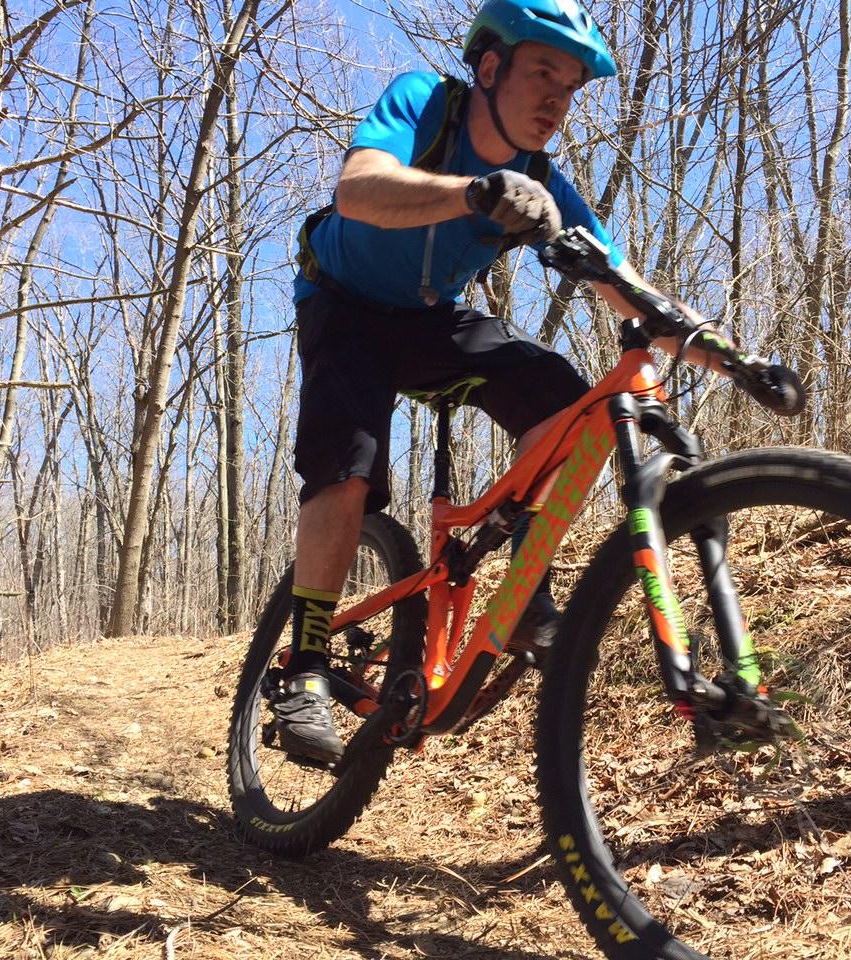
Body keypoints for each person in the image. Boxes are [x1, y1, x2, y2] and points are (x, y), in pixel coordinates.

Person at [274, 0, 727, 763]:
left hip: (429, 321)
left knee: (568, 399)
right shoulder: (425, 104)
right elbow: (359, 189)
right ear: (490, 67)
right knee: (349, 466)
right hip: (344, 306)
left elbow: (627, 287)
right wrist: (473, 194)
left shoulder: (544, 180)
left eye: (573, 83)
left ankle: (523, 592)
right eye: (542, 71)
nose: (557, 97)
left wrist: (721, 350)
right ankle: (308, 664)